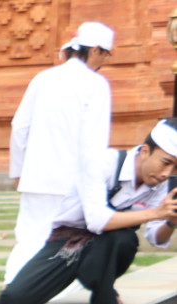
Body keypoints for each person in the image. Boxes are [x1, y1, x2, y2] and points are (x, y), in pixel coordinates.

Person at [0, 121, 177, 304]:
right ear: (145, 151)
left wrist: (171, 221)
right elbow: (96, 220)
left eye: (175, 168)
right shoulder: (103, 163)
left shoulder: (158, 184)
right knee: (14, 299)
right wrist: (156, 213)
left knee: (124, 239)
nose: (167, 174)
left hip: (104, 248)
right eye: (165, 163)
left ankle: (102, 290)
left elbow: (156, 238)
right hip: (68, 241)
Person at [6, 22, 114, 284]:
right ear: (96, 50)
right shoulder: (96, 84)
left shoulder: (43, 78)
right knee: (63, 243)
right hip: (72, 181)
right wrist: (97, 187)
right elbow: (94, 143)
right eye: (106, 54)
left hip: (36, 176)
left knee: (29, 238)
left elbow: (19, 127)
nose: (105, 61)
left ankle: (11, 286)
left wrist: (19, 171)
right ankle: (34, 291)